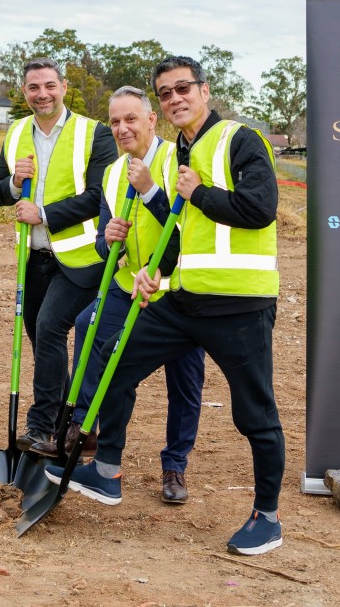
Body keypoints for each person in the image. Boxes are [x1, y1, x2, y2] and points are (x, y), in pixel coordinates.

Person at [52, 55, 285, 557]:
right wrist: (154, 270)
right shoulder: (183, 149)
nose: (175, 98)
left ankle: (267, 517)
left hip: (241, 306)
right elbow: (182, 234)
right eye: (166, 91)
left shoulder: (240, 140)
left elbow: (260, 210)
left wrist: (198, 191)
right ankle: (107, 471)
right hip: (184, 298)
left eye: (183, 89)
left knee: (255, 414)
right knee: (113, 360)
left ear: (204, 91)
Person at [42, 86, 205, 505]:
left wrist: (151, 191)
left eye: (131, 119)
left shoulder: (177, 161)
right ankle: (95, 443)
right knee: (105, 350)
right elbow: (103, 242)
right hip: (126, 283)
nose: (122, 128)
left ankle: (175, 465)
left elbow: (190, 232)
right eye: (114, 121)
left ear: (152, 120)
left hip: (175, 291)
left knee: (185, 381)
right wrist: (106, 238)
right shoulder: (113, 172)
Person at [0, 57, 115, 453]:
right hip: (34, 258)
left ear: (63, 87)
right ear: (24, 92)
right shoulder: (16, 131)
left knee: (49, 327)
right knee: (44, 344)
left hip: (80, 259)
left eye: (49, 85)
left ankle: (41, 427)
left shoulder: (95, 133)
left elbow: (100, 195)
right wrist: (13, 182)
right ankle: (71, 427)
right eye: (33, 87)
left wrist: (43, 213)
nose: (42, 94)